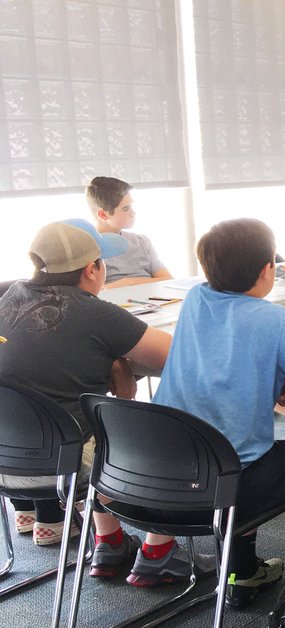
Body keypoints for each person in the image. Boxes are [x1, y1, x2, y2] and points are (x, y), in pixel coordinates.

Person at [0, 220, 206, 585]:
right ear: (92, 269)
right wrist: (117, 360)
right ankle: (158, 552)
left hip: (8, 460)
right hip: (66, 467)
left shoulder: (10, 297)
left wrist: (111, 360)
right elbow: (181, 357)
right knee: (171, 424)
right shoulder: (96, 313)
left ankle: (109, 542)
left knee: (84, 422)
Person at [152, 219, 285, 608]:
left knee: (235, 449)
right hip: (226, 485)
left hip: (162, 471)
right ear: (267, 269)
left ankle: (241, 572)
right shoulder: (276, 320)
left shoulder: (195, 300)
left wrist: (277, 375)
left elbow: (225, 364)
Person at [84, 176, 173, 288]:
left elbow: (167, 279)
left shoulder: (142, 241)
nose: (133, 213)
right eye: (126, 209)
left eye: (131, 206)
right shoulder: (88, 249)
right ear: (103, 215)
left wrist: (127, 283)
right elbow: (94, 291)